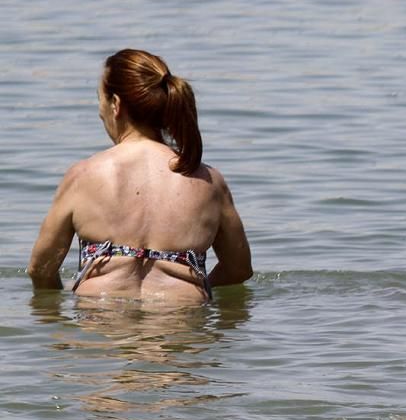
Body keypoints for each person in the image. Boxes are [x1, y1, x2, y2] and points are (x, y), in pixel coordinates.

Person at [28, 49, 252, 302]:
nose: (100, 111)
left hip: (102, 325)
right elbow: (238, 269)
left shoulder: (82, 176)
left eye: (99, 98)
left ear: (116, 105)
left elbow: (41, 269)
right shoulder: (208, 181)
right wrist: (196, 288)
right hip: (180, 324)